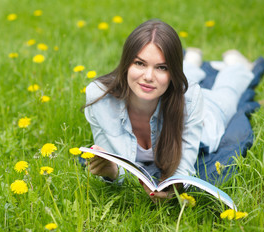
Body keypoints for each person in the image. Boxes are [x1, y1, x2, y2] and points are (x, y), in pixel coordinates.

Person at [83, 19, 254, 202]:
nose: (148, 77)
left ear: (172, 73)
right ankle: (191, 61)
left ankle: (237, 65)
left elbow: (184, 170)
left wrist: (174, 189)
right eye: (140, 63)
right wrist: (113, 172)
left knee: (227, 93)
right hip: (171, 87)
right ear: (126, 64)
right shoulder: (100, 97)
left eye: (162, 67)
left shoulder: (190, 98)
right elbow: (111, 158)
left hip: (207, 119)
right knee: (172, 78)